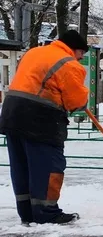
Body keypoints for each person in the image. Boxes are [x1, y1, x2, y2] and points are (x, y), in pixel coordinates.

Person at [0, 30, 90, 225]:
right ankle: (47, 213)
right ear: (74, 49)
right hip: (40, 118)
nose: (82, 58)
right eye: (82, 53)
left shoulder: (35, 52)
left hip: (12, 113)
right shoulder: (69, 63)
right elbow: (75, 101)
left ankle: (27, 213)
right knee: (48, 166)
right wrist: (83, 99)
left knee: (21, 165)